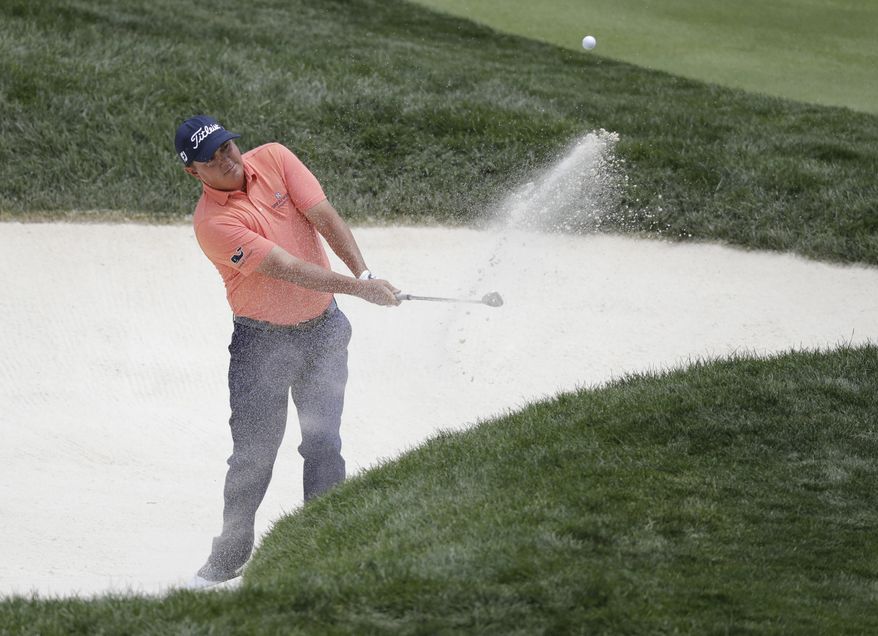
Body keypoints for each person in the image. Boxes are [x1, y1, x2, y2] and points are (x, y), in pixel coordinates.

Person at [174, 115, 400, 588]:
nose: (226, 160)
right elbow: (286, 268)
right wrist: (361, 292)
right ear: (193, 172)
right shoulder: (214, 223)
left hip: (324, 332)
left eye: (227, 148)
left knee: (324, 445)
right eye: (211, 160)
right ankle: (229, 558)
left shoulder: (275, 157)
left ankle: (325, 550)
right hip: (262, 346)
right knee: (253, 457)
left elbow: (323, 216)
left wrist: (362, 276)